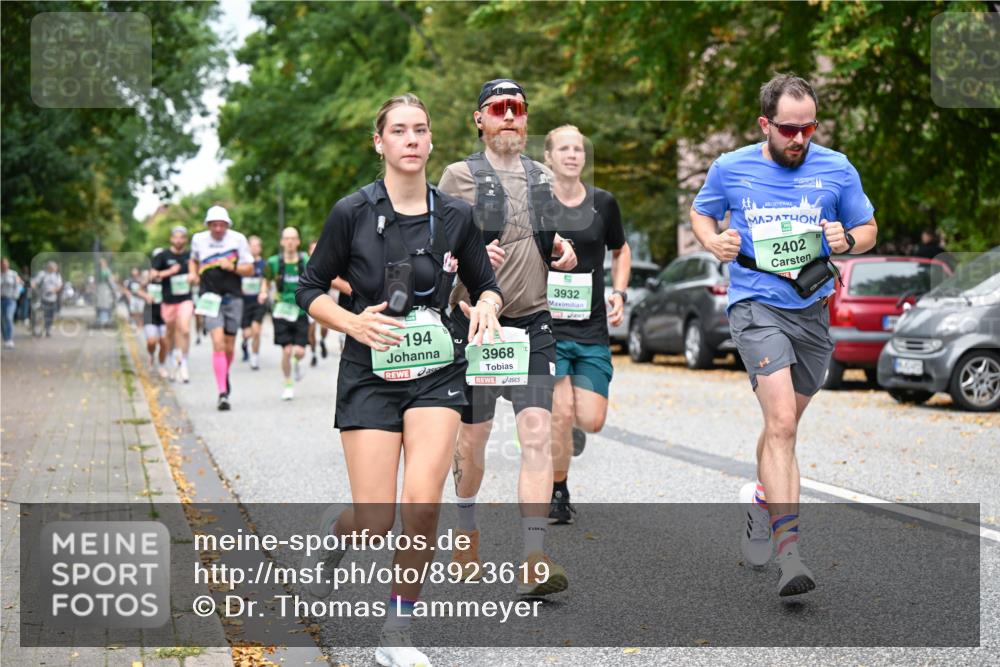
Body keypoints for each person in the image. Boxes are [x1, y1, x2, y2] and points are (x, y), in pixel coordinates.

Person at [297, 94, 502, 667]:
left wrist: (488, 305)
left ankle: (396, 631)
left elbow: (487, 285)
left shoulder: (456, 215)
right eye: (399, 131)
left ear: (431, 141)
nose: (411, 139)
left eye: (420, 130)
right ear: (379, 142)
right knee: (374, 521)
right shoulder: (351, 212)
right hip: (370, 371)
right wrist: (351, 322)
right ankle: (336, 535)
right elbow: (309, 287)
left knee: (422, 506)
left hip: (437, 371)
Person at [691, 74, 877, 597]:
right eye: (789, 129)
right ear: (765, 124)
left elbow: (868, 229)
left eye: (808, 128)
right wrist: (713, 241)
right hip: (756, 304)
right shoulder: (731, 167)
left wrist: (848, 240)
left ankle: (760, 498)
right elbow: (701, 213)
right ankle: (790, 553)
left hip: (811, 309)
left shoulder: (837, 168)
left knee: (785, 425)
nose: (799, 139)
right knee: (781, 424)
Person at [439, 79, 576, 596]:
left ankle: (534, 556)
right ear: (480, 119)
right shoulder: (459, 176)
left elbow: (543, 239)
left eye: (517, 108)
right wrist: (467, 264)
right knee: (472, 442)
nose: (510, 117)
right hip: (475, 325)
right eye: (499, 108)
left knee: (537, 433)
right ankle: (466, 529)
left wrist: (562, 250)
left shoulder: (543, 177)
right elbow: (436, 251)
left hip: (533, 324)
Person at [542, 125, 631, 524]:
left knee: (591, 420)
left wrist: (619, 292)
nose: (572, 155)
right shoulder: (537, 205)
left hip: (591, 326)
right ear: (549, 157)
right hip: (547, 327)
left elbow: (621, 249)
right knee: (560, 412)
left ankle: (564, 432)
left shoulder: (603, 203)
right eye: (563, 149)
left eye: (578, 149)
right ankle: (558, 490)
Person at [189, 206, 255, 411]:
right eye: (214, 225)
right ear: (208, 225)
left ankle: (223, 373)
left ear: (227, 225)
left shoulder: (238, 239)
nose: (218, 228)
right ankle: (222, 392)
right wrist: (193, 273)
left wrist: (233, 267)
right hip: (209, 297)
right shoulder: (198, 239)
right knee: (217, 343)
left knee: (229, 346)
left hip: (233, 298)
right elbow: (193, 260)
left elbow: (250, 269)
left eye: (221, 225)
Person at [265, 227, 309, 400]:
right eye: (287, 238)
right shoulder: (273, 262)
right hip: (281, 311)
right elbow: (266, 280)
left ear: (298, 241)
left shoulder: (306, 260)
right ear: (282, 242)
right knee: (287, 350)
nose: (290, 242)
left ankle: (296, 363)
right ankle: (288, 383)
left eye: (293, 238)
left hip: (300, 311)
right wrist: (263, 292)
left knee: (300, 352)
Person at [152, 226, 195, 383]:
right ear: (171, 239)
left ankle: (184, 363)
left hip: (185, 299)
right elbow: (153, 275)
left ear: (186, 239)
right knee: (169, 333)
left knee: (184, 329)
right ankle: (171, 360)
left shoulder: (190, 256)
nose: (178, 240)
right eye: (176, 237)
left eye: (181, 237)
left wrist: (193, 277)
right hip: (168, 301)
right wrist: (169, 272)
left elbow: (197, 274)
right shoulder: (163, 256)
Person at [240, 235, 268, 369]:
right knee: (247, 333)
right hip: (244, 302)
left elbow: (266, 280)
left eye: (257, 245)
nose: (254, 248)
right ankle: (245, 343)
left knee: (256, 331)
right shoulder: (242, 263)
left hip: (258, 301)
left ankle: (254, 358)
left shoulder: (264, 264)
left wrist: (263, 292)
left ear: (260, 248)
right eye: (251, 245)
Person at [138, 257, 169, 378]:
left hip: (164, 313)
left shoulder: (167, 277)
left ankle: (162, 366)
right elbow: (139, 290)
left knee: (164, 342)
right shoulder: (148, 277)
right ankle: (151, 355)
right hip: (150, 312)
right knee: (151, 341)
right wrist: (146, 296)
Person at [32, 261, 63, 337]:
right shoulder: (42, 274)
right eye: (54, 267)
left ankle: (47, 329)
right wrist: (35, 290)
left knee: (50, 315)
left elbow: (59, 285)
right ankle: (38, 329)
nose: (55, 269)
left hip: (52, 299)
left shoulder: (57, 275)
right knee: (41, 314)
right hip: (42, 298)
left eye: (55, 268)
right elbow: (34, 283)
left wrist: (53, 290)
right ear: (49, 267)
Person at [1, 258, 23, 348]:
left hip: (10, 299)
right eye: (2, 264)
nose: (4, 265)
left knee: (8, 317)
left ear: (8, 264)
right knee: (2, 319)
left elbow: (19, 285)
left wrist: (15, 296)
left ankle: (9, 339)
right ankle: (5, 338)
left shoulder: (13, 274)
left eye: (5, 263)